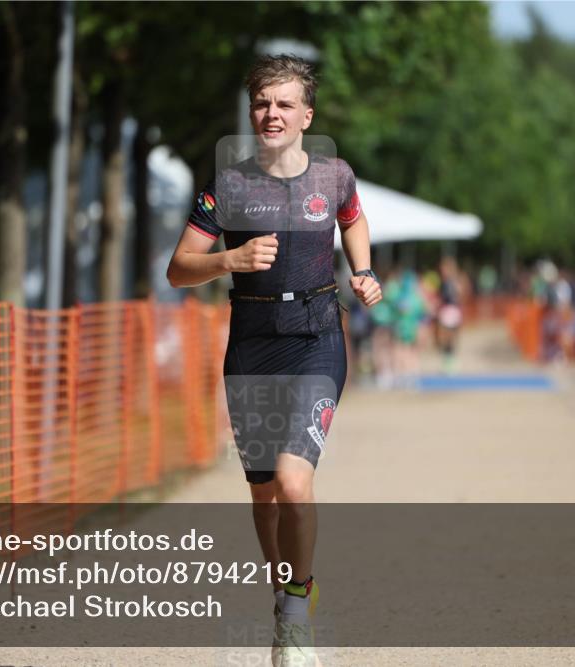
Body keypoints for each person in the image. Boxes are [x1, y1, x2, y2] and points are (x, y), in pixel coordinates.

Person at [166, 54, 381, 666]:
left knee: (293, 481)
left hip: (316, 336)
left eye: (285, 104)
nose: (272, 114)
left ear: (306, 115)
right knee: (264, 496)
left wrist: (362, 272)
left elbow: (354, 218)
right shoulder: (229, 187)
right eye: (263, 103)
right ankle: (287, 592)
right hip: (252, 344)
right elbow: (179, 269)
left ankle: (293, 620)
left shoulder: (333, 175)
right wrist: (228, 261)